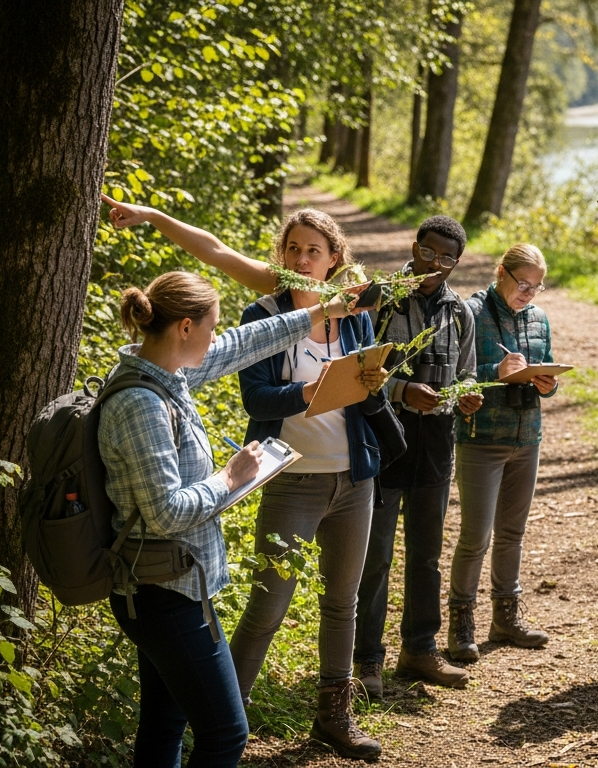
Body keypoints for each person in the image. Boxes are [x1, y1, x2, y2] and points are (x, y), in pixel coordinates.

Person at [97, 269, 367, 767]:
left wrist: (324, 310)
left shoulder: (169, 375)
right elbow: (165, 513)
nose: (217, 337)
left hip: (170, 586)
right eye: (212, 326)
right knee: (226, 733)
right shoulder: (141, 403)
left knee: (164, 723)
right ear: (185, 327)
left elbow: (246, 343)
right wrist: (229, 478)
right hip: (162, 595)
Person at [226, 209, 388, 760]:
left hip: (353, 477)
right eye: (292, 248)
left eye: (312, 250)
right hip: (291, 478)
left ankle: (333, 718)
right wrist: (305, 392)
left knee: (342, 602)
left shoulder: (356, 315)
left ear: (333, 259)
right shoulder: (263, 315)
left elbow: (367, 394)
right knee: (267, 607)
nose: (300, 259)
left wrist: (373, 382)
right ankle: (225, 721)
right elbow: (255, 399)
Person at [353, 216, 482, 696]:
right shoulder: (377, 300)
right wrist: (403, 391)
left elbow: (467, 373)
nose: (434, 264)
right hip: (384, 442)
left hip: (436, 444)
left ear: (456, 262)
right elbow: (356, 369)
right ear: (414, 248)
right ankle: (366, 659)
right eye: (428, 252)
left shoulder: (459, 312)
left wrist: (466, 395)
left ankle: (419, 649)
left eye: (447, 257)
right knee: (376, 556)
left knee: (426, 555)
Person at [447, 244, 559, 663]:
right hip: (481, 440)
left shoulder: (539, 318)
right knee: (475, 537)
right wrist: (495, 372)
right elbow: (454, 376)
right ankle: (461, 623)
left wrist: (548, 383)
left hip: (527, 437)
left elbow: (546, 366)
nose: (528, 293)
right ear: (500, 273)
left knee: (513, 533)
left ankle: (506, 618)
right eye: (523, 284)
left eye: (536, 287)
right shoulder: (471, 312)